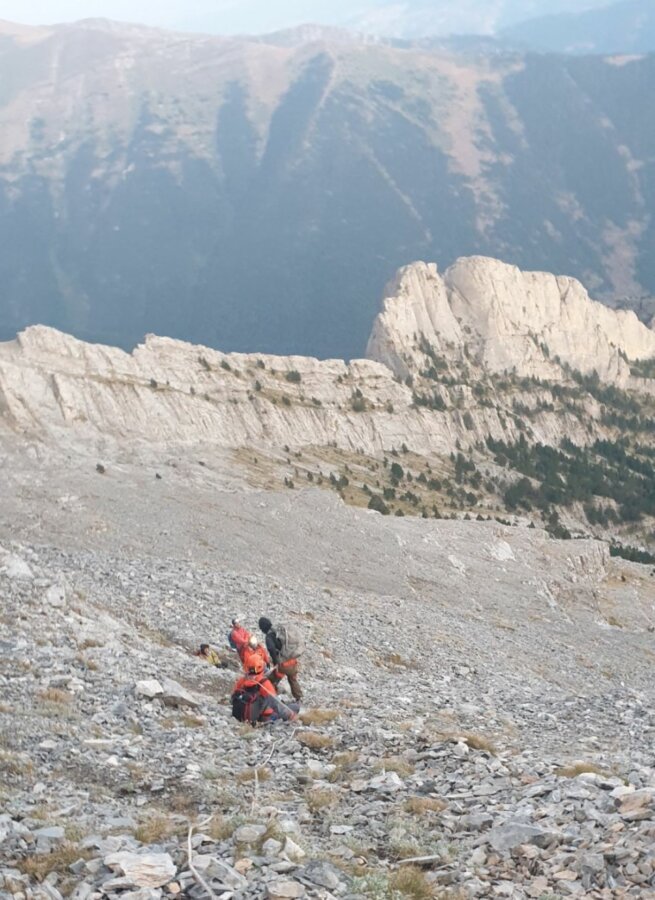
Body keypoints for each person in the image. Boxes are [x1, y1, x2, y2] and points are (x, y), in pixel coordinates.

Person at [231, 656, 298, 725]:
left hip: (239, 715)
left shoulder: (242, 680)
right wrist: (291, 715)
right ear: (261, 667)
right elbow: (276, 704)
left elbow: (233, 698)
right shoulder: (263, 683)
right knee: (295, 707)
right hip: (260, 717)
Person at [258, 617, 303, 702]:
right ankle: (299, 698)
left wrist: (275, 662)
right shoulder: (278, 631)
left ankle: (271, 697)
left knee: (272, 680)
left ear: (262, 628)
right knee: (292, 680)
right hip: (293, 662)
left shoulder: (269, 636)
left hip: (283, 665)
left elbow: (271, 648)